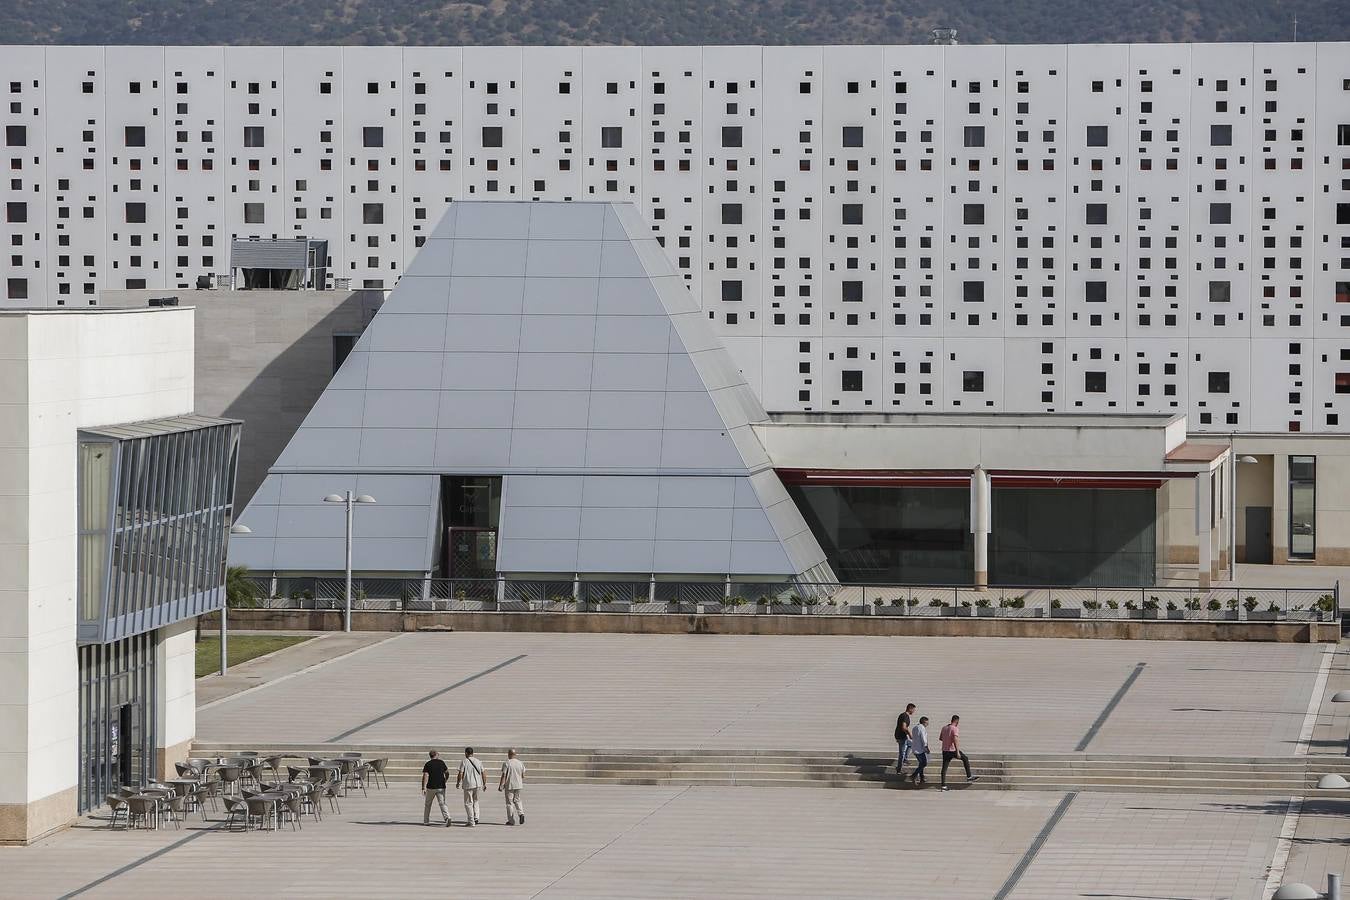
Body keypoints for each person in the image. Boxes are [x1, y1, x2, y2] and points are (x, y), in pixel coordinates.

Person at [938, 714, 978, 791]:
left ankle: (943, 786)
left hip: (945, 750)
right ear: (957, 721)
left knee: (944, 768)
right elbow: (955, 740)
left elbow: (940, 738)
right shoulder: (954, 728)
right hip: (952, 750)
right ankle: (969, 776)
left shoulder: (944, 728)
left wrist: (947, 739)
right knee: (965, 758)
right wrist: (957, 752)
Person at [456, 746, 486, 826]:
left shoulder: (464, 761)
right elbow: (483, 773)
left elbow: (460, 773)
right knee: (476, 801)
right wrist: (484, 783)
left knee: (468, 803)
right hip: (477, 784)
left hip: (468, 784)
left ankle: (471, 821)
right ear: (472, 753)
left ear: (466, 753)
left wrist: (458, 782)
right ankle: (476, 817)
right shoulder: (478, 761)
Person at [421, 750, 451, 826]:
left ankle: (426, 821)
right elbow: (447, 772)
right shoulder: (441, 762)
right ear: (436, 755)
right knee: (442, 803)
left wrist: (423, 788)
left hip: (431, 787)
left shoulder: (428, 764)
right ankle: (447, 817)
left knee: (428, 804)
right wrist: (445, 780)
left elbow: (425, 776)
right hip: (441, 786)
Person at [498, 748, 526, 825]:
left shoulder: (507, 763)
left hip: (509, 785)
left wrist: (501, 785)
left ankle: (511, 820)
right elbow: (523, 775)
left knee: (509, 803)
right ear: (515, 754)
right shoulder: (520, 763)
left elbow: (504, 775)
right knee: (517, 800)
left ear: (509, 754)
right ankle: (521, 814)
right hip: (519, 785)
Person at [894, 703, 915, 775]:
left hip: (901, 736)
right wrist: (910, 734)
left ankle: (905, 759)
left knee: (911, 744)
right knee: (902, 753)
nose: (914, 712)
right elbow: (904, 727)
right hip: (901, 736)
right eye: (913, 710)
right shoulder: (905, 716)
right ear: (910, 709)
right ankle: (899, 770)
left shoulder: (902, 715)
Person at [910, 716, 930, 786]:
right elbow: (923, 739)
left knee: (921, 763)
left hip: (915, 748)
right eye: (927, 723)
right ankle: (914, 775)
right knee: (924, 763)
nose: (928, 724)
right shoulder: (922, 728)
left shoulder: (915, 727)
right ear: (924, 722)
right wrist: (926, 748)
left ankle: (922, 778)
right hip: (920, 749)